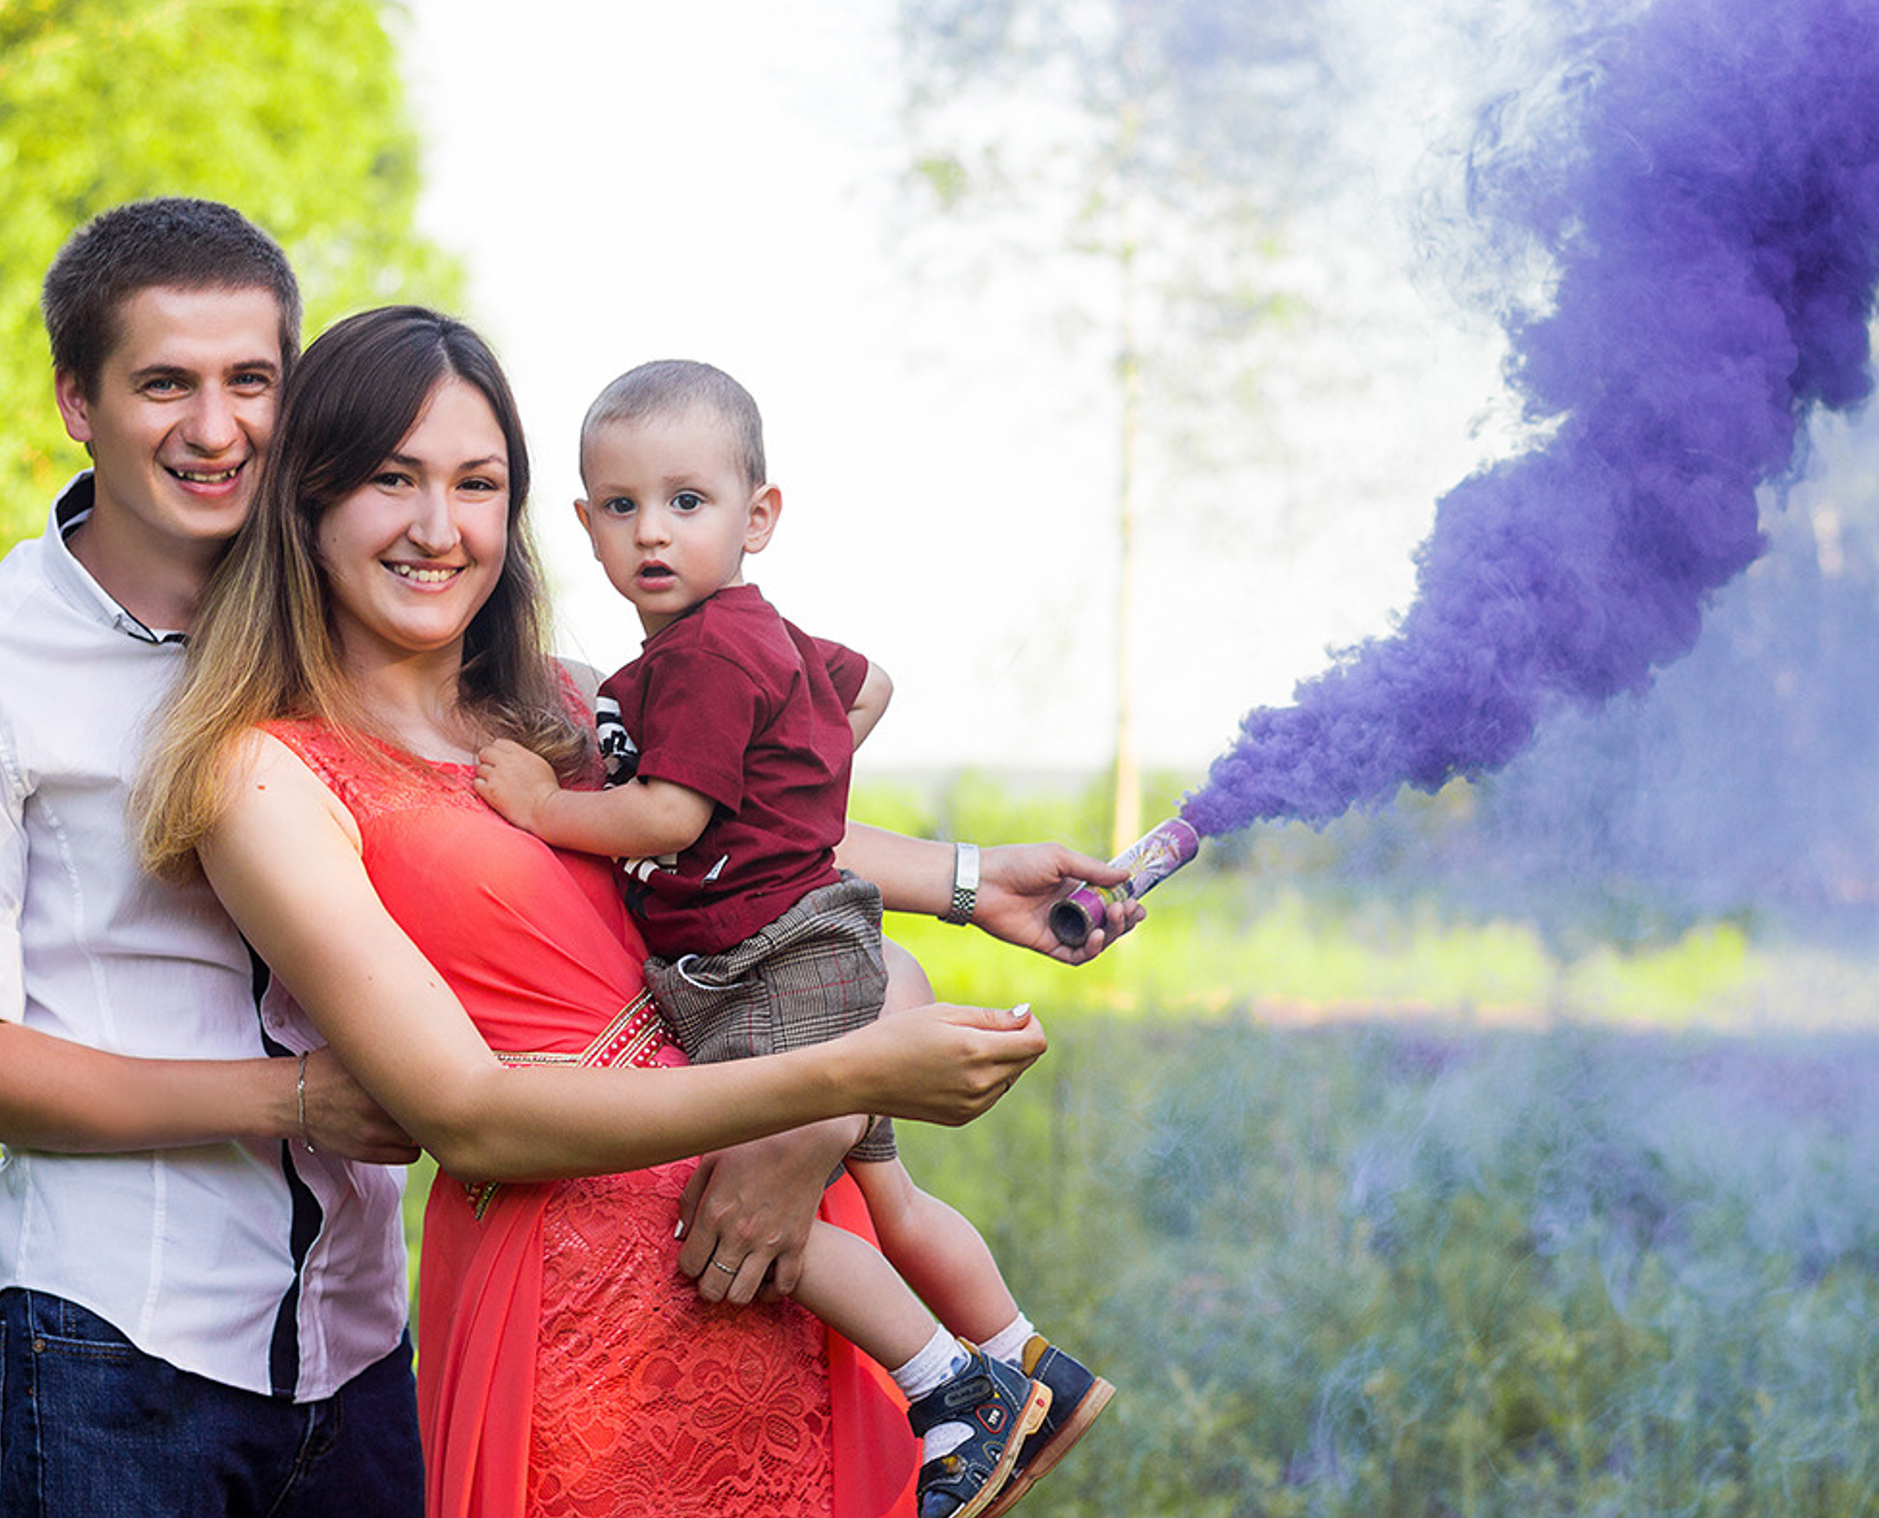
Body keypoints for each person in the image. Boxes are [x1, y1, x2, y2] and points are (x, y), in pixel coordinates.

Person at [133, 306, 1120, 1518]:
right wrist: (839, 1081)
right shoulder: (266, 772)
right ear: (309, 501)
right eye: (393, 479)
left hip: (788, 1256)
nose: (439, 528)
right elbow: (476, 1118)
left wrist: (969, 883)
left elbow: (735, 839)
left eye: (478, 483)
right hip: (576, 1299)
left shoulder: (564, 704)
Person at [476, 359, 1113, 1518]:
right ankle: (1029, 1360)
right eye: (620, 508)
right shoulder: (749, 639)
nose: (652, 533)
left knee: (766, 1207)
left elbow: (665, 818)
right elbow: (864, 689)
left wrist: (539, 809)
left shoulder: (706, 658)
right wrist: (790, 789)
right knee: (882, 1194)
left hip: (767, 963)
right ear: (582, 524)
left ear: (757, 515)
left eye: (688, 502)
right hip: (806, 940)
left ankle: (950, 1394)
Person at [0, 199, 426, 1518]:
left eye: (253, 380)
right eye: (164, 383)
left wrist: (965, 875)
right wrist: (293, 1102)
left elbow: (588, 784)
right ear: (77, 398)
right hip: (105, 1346)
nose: (216, 426)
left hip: (362, 1347)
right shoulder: (9, 655)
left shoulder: (355, 618)